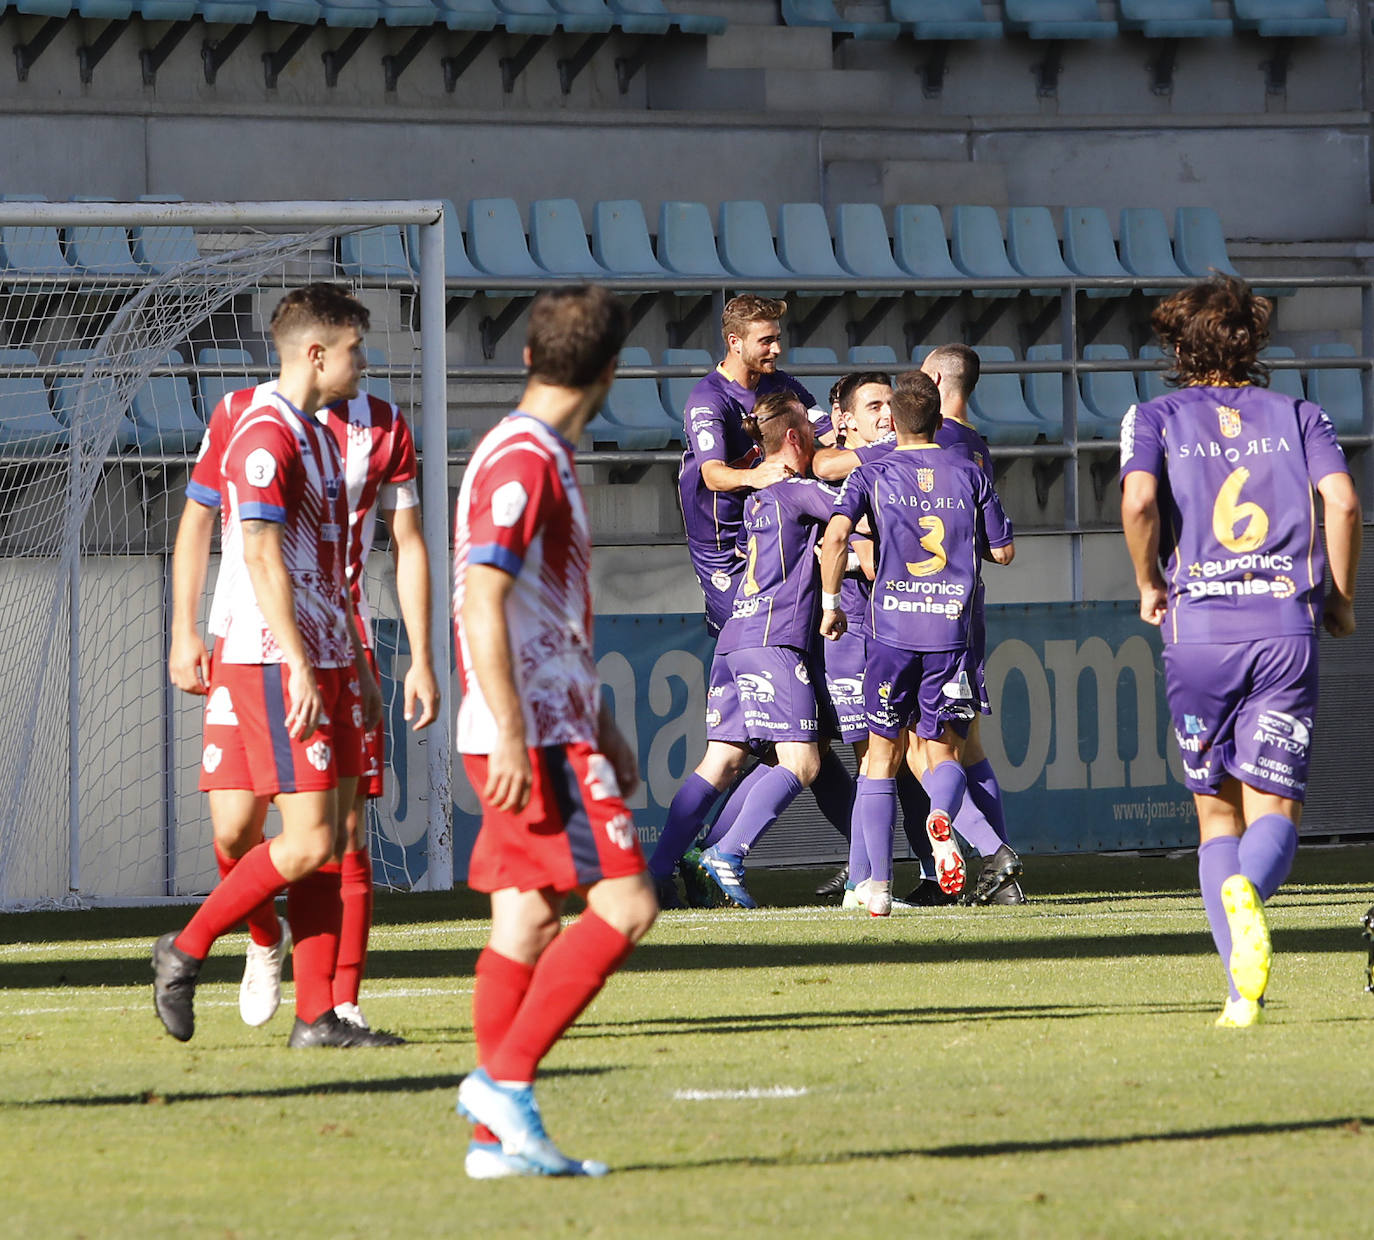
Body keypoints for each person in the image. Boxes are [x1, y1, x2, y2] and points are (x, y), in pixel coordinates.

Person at [169, 332, 441, 1034]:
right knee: (237, 831)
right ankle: (259, 937)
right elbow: (206, 522)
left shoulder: (378, 426)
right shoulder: (245, 417)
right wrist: (184, 628)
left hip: (335, 639)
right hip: (255, 642)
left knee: (340, 830)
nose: (368, 363)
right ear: (316, 351)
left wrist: (412, 655)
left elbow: (406, 542)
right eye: (357, 348)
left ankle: (332, 1006)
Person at [453, 284, 658, 1179]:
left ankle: (498, 1145)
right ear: (611, 374)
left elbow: (535, 608)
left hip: (549, 717)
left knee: (527, 919)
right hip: (530, 729)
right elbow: (482, 596)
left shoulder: (531, 451)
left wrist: (602, 714)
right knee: (627, 905)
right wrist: (509, 728)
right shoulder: (527, 460)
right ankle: (503, 1084)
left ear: (530, 357)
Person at [1120, 274, 1361, 1028]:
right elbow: (1345, 500)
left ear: (1177, 344)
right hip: (1284, 626)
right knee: (1275, 810)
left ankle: (1240, 993)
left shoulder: (1154, 415)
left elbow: (1137, 500)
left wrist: (1148, 582)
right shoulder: (1300, 414)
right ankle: (1251, 895)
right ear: (1253, 344)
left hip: (1197, 632)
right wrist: (1341, 597)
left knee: (1214, 817)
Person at [819, 373, 1014, 916]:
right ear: (939, 419)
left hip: (890, 633)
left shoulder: (873, 469)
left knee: (880, 758)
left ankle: (875, 887)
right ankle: (944, 821)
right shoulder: (969, 470)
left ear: (895, 423)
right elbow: (1003, 552)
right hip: (950, 632)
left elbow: (836, 536)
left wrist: (832, 604)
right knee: (945, 748)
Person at [652, 391, 841, 910]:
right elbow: (857, 521)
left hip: (736, 636)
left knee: (722, 761)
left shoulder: (756, 496)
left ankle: (660, 869)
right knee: (802, 762)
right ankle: (726, 854)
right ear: (797, 439)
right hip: (774, 639)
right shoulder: (799, 489)